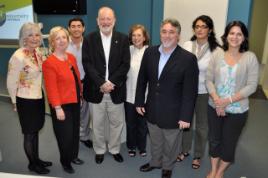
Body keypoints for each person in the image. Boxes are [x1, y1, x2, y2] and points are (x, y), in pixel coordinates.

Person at [135, 18, 199, 178]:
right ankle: (155, 162)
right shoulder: (150, 52)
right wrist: (139, 101)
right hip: (152, 107)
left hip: (174, 111)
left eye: (171, 32)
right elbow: (142, 79)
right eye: (164, 31)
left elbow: (190, 92)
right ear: (160, 33)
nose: (167, 35)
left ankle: (167, 167)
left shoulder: (188, 59)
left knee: (171, 143)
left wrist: (186, 116)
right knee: (155, 139)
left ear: (178, 35)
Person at [205, 21, 259, 178]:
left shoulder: (250, 57)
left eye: (239, 34)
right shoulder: (217, 54)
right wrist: (217, 100)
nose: (234, 37)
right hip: (214, 106)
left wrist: (226, 101)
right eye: (232, 33)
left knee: (229, 144)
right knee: (214, 140)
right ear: (226, 35)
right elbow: (209, 80)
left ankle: (221, 172)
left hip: (238, 110)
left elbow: (251, 86)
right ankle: (214, 169)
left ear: (244, 38)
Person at [82, 6, 130, 164]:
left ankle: (115, 149)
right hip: (97, 90)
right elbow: (87, 63)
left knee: (117, 123)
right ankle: (100, 149)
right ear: (97, 21)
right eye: (102, 18)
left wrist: (111, 82)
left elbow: (125, 64)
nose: (105, 21)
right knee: (97, 123)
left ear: (114, 21)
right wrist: (101, 83)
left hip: (116, 89)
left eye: (109, 18)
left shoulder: (123, 39)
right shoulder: (89, 39)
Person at [6, 22, 52, 174]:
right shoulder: (18, 56)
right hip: (25, 100)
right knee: (29, 133)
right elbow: (11, 82)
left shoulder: (38, 53)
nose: (34, 38)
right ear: (24, 38)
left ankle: (37, 159)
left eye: (37, 34)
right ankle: (32, 164)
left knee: (36, 130)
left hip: (38, 96)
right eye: (30, 35)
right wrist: (14, 101)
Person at [178, 15, 221, 169]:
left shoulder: (216, 50)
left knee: (202, 126)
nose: (200, 29)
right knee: (185, 123)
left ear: (209, 30)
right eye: (197, 26)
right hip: (186, 92)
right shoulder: (187, 45)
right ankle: (185, 150)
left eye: (203, 26)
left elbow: (218, 76)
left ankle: (198, 155)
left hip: (205, 92)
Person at [43, 26, 83, 174]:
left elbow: (76, 78)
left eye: (64, 37)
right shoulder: (49, 63)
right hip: (62, 106)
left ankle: (73, 156)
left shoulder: (71, 57)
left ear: (68, 39)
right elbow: (51, 88)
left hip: (74, 101)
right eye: (57, 38)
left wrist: (81, 95)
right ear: (52, 42)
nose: (61, 41)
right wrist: (57, 108)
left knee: (74, 133)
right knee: (64, 136)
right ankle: (65, 161)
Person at [67, 17, 92, 148]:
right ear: (68, 29)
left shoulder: (89, 44)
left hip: (86, 82)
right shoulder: (64, 44)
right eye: (73, 26)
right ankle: (70, 136)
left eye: (78, 26)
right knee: (70, 112)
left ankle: (84, 136)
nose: (76, 29)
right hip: (69, 84)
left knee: (85, 112)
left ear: (83, 28)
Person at [125, 24, 149, 157]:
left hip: (145, 96)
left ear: (144, 37)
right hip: (128, 94)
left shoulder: (150, 52)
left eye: (139, 35)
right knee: (130, 123)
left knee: (142, 124)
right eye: (133, 35)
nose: (136, 38)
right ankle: (131, 146)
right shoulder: (127, 50)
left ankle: (142, 147)